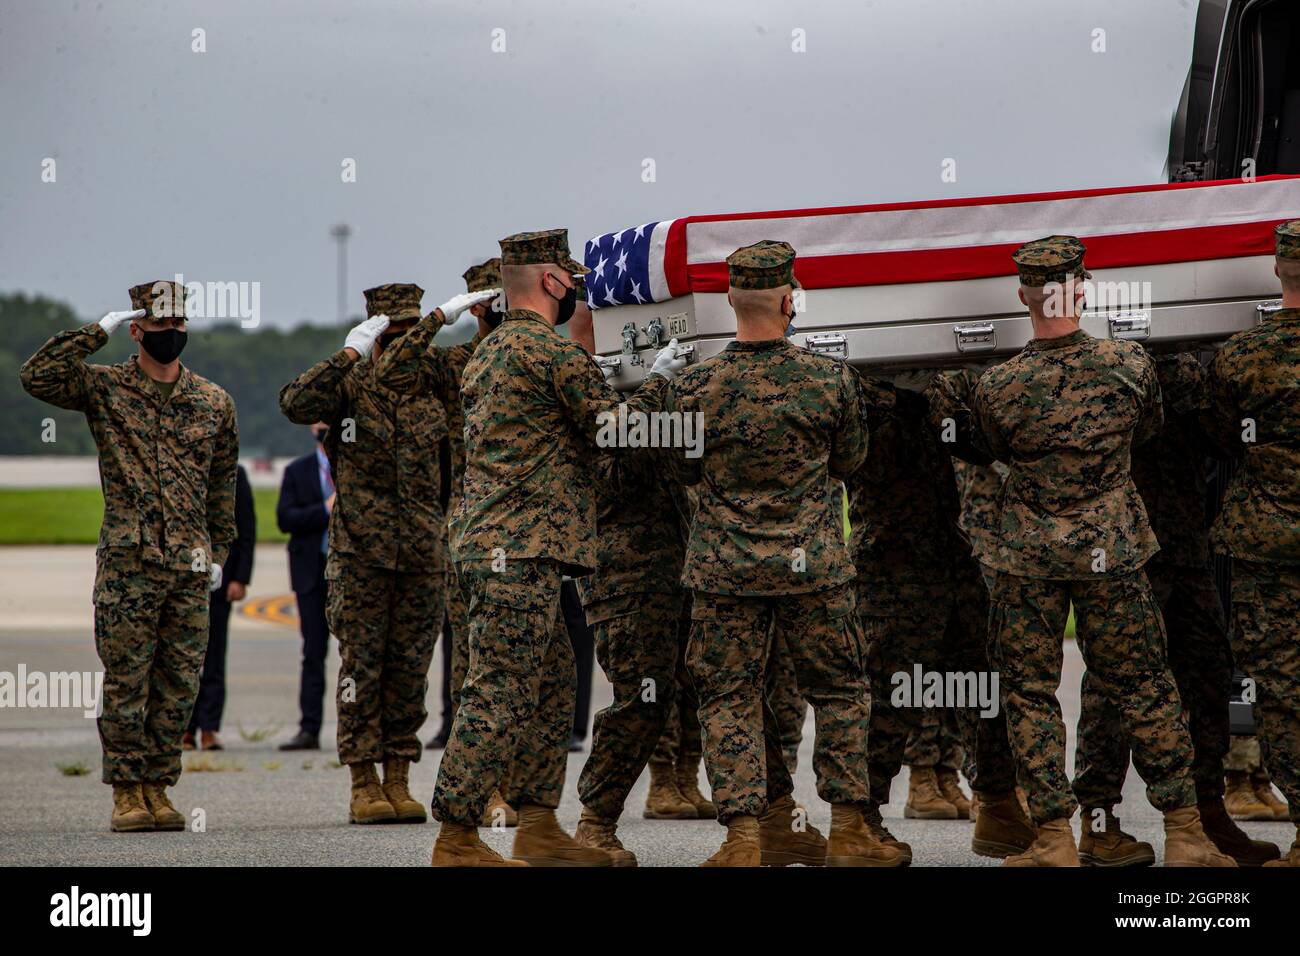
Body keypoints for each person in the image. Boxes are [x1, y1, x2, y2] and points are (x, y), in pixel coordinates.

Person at [926, 236, 1232, 866]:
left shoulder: (999, 387)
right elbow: (1146, 430)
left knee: (1031, 694)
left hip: (1027, 557)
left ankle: (1052, 839)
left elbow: (987, 450)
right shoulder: (1129, 366)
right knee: (1145, 684)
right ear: (1083, 289)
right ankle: (1187, 833)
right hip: (1112, 550)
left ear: (1023, 297)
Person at [381, 227, 682, 866]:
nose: (577, 290)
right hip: (518, 554)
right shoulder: (550, 353)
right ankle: (457, 837)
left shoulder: (487, 354)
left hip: (492, 548)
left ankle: (539, 826)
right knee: (499, 691)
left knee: (551, 683)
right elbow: (617, 433)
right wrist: (657, 382)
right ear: (551, 281)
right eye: (571, 279)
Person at [670, 240, 902, 867]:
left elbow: (681, 470)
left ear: (728, 299)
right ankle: (852, 832)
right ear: (788, 298)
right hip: (815, 568)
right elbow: (850, 461)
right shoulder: (830, 380)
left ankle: (745, 839)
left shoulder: (694, 386)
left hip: (726, 570)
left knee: (728, 697)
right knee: (840, 692)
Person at [20, 280, 237, 832]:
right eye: (161, 327)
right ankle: (126, 792)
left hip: (188, 568)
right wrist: (96, 332)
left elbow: (221, 489)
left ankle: (160, 787)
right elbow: (37, 376)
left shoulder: (212, 402)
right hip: (129, 565)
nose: (172, 336)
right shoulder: (106, 388)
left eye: (179, 327)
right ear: (137, 331)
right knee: (126, 683)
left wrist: (219, 552)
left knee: (179, 683)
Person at [279, 282, 488, 825]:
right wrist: (348, 353)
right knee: (362, 672)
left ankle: (398, 775)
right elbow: (294, 402)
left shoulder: (434, 383)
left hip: (422, 551)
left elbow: (486, 355)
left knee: (410, 671)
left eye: (410, 332)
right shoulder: (349, 388)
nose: (402, 345)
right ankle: (363, 780)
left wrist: (488, 313)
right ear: (375, 336)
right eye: (391, 334)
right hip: (362, 555)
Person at [1071, 351, 1278, 865]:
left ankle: (1207, 816)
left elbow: (1224, 436)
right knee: (1113, 687)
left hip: (1185, 544)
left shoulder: (1191, 363)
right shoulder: (1107, 363)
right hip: (1126, 549)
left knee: (1210, 676)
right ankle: (1098, 821)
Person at [1201, 219, 1300, 867]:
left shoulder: (1240, 357)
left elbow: (1218, 435)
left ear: (1276, 270)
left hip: (1266, 543)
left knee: (1282, 686)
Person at [184, 463, 255, 751]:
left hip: (221, 579)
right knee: (184, 659)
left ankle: (210, 729)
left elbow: (247, 530)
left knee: (214, 657)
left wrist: (240, 577)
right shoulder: (185, 467)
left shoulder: (235, 474)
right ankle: (185, 729)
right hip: (186, 580)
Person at [275, 423, 334, 752]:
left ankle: (360, 732)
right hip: (311, 572)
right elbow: (285, 518)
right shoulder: (297, 471)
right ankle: (309, 728)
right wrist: (325, 510)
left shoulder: (356, 468)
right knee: (313, 651)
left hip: (351, 575)